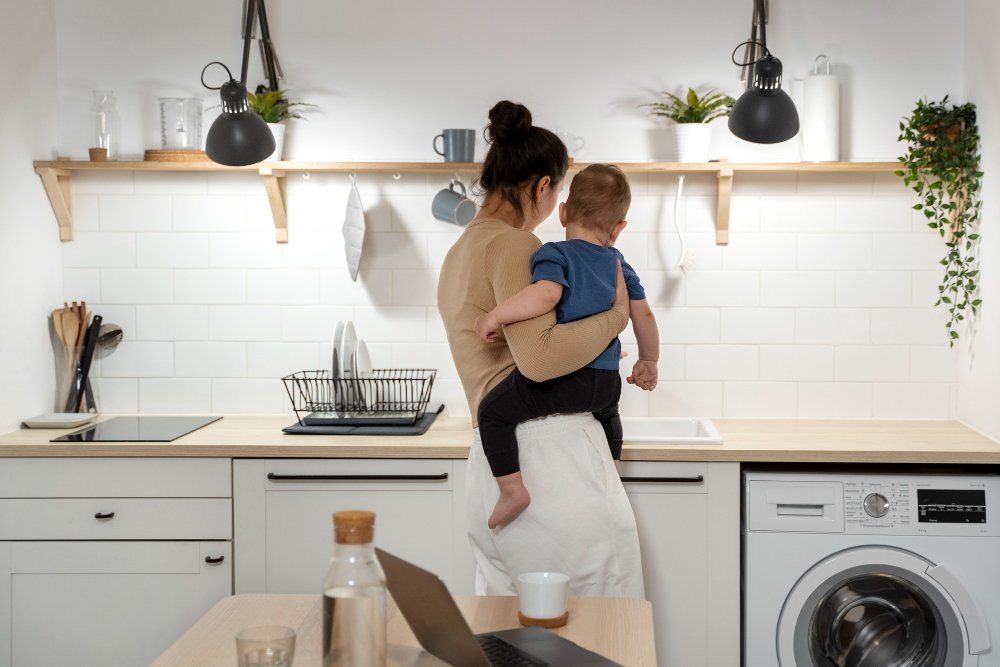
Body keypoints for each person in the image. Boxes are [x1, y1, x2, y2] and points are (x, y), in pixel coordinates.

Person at [437, 100, 645, 598]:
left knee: (509, 631)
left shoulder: (458, 251)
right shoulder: (516, 246)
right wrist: (616, 319)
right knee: (595, 625)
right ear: (543, 186)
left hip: (495, 462)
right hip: (551, 463)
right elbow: (541, 357)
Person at [474, 163, 659, 529]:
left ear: (563, 213)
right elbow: (645, 316)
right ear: (618, 228)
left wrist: (495, 316)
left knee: (492, 412)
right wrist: (649, 360)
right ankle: (611, 476)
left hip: (565, 381)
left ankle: (512, 490)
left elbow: (544, 296)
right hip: (606, 383)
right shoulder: (620, 264)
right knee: (609, 417)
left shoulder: (555, 254)